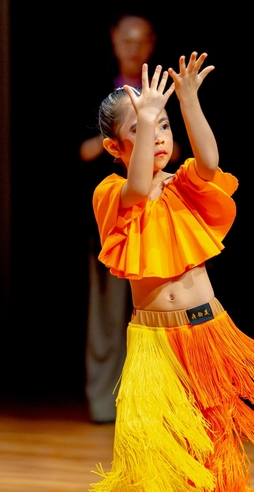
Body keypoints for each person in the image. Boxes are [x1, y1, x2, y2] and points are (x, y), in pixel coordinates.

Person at [88, 52, 254, 492]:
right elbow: (136, 189)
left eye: (162, 126)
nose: (156, 136)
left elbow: (210, 157)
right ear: (114, 147)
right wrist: (148, 111)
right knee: (146, 440)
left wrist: (189, 101)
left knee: (215, 442)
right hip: (153, 339)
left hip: (207, 332)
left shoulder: (186, 187)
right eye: (140, 128)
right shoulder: (112, 195)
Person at [79, 14, 159, 424]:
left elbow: (180, 149)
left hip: (158, 219)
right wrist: (122, 136)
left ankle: (156, 404)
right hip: (113, 219)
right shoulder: (100, 92)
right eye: (127, 40)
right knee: (109, 318)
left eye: (141, 40)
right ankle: (103, 401)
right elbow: (84, 150)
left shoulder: (160, 92)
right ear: (113, 40)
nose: (133, 48)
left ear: (152, 44)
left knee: (158, 315)